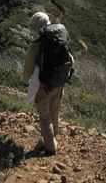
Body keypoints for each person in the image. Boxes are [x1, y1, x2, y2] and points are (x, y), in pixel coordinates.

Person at [23, 11, 73, 156]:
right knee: (55, 112)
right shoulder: (60, 38)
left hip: (43, 86)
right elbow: (71, 59)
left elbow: (28, 69)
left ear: (36, 29)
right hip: (59, 83)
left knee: (45, 117)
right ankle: (53, 137)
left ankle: (50, 148)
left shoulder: (35, 47)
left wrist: (25, 82)